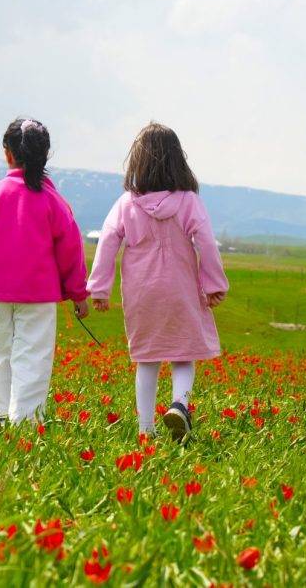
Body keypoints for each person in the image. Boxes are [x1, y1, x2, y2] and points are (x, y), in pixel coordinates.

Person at [87, 122, 228, 440]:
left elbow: (108, 241)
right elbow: (205, 241)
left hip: (141, 293)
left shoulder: (126, 203)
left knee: (147, 359)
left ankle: (145, 430)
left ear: (137, 162)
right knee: (183, 355)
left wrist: (99, 288)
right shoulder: (189, 201)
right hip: (180, 290)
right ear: (178, 160)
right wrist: (214, 284)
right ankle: (180, 404)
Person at [0, 118, 89, 425]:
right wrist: (77, 294)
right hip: (39, 296)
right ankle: (25, 423)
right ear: (45, 156)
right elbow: (71, 251)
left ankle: (0, 416)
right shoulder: (54, 202)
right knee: (33, 357)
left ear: (8, 154)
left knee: (1, 350)